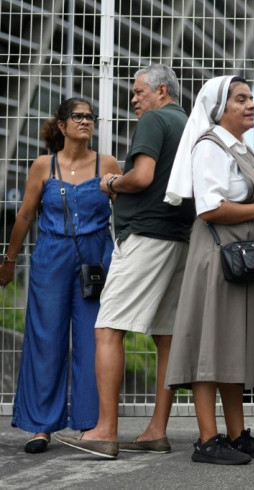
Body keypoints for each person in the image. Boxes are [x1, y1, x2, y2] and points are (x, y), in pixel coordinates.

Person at [56, 64, 196, 459]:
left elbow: (143, 176)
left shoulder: (155, 119)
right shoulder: (189, 123)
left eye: (138, 92)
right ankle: (155, 430)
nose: (133, 100)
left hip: (146, 235)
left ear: (161, 91)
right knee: (165, 336)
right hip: (180, 237)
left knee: (108, 328)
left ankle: (104, 431)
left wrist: (111, 183)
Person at [164, 76, 254, 465]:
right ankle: (207, 440)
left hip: (241, 255)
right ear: (219, 109)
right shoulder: (210, 147)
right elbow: (209, 207)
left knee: (231, 344)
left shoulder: (240, 147)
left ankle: (237, 434)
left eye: (251, 97)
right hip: (219, 255)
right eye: (241, 99)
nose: (251, 104)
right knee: (211, 345)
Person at [1, 98, 119, 454]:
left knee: (92, 340)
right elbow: (23, 217)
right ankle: (40, 426)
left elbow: (125, 211)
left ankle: (90, 425)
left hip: (95, 260)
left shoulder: (107, 163)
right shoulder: (42, 166)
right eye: (78, 116)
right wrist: (8, 260)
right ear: (62, 124)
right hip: (51, 257)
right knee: (45, 338)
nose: (85, 121)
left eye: (89, 117)